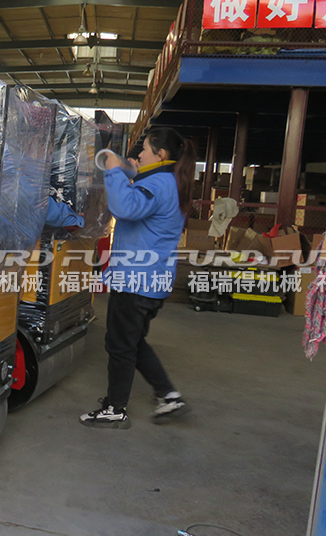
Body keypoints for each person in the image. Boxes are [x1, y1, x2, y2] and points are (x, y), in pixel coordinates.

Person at [80, 127, 196, 429]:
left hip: (136, 282)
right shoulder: (168, 181)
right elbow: (141, 202)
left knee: (120, 345)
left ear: (161, 154)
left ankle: (115, 409)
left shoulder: (159, 183)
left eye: (144, 149)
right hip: (151, 281)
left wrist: (114, 171)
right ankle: (168, 395)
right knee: (132, 341)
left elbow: (126, 207)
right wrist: (130, 172)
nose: (139, 154)